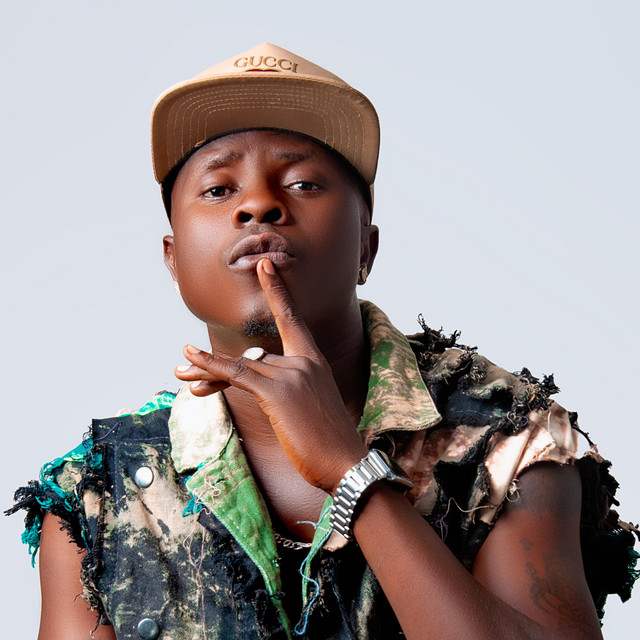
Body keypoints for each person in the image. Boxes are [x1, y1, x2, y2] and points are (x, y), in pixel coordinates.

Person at [8, 42, 638, 640]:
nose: (258, 205)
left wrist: (349, 471)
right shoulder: (96, 493)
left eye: (303, 184)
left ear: (366, 246)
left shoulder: (508, 435)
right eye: (219, 189)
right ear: (172, 260)